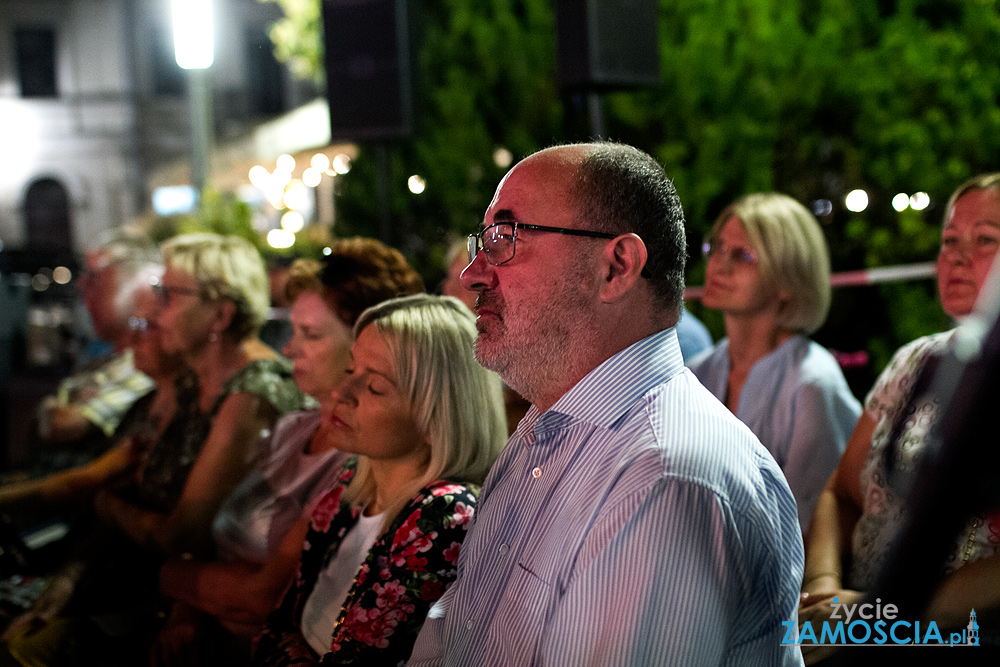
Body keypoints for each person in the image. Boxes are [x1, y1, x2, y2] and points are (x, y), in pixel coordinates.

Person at [408, 143, 804, 666]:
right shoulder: (546, 430)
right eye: (483, 242)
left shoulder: (664, 478)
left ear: (617, 266)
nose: (473, 274)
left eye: (506, 239)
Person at [152, 238, 424, 665]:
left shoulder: (363, 458)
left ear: (366, 345)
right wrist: (187, 613)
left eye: (310, 334)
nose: (288, 349)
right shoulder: (293, 428)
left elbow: (265, 596)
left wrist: (159, 573)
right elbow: (212, 544)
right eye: (293, 330)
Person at [799, 174, 1000, 663]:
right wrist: (822, 592)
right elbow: (839, 491)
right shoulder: (916, 362)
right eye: (949, 240)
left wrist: (871, 617)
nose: (956, 256)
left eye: (986, 240)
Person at [251, 294, 507, 665]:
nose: (342, 393)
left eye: (374, 387)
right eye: (351, 371)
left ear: (436, 417)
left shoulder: (444, 517)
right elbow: (276, 623)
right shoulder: (351, 482)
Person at [688, 193, 861, 531]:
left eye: (744, 255)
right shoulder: (696, 372)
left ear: (788, 279)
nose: (719, 265)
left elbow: (806, 522)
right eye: (718, 248)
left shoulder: (813, 383)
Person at [36, 234, 160, 449]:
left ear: (141, 283)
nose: (83, 289)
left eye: (95, 279)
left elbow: (62, 423)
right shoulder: (101, 352)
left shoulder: (151, 359)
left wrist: (55, 404)